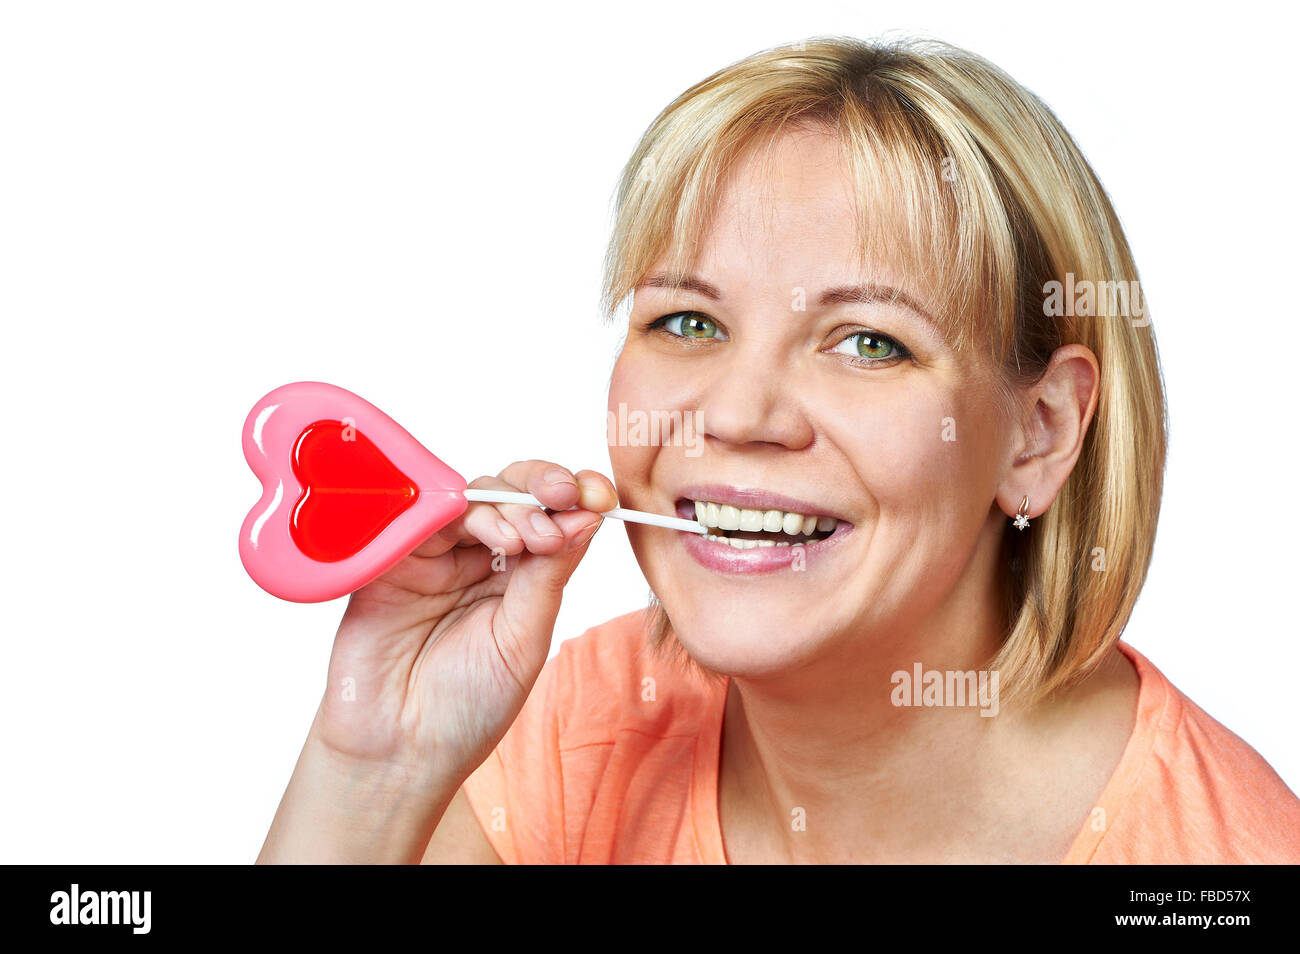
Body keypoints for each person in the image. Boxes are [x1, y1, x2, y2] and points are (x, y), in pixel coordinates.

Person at [258, 35, 1300, 864]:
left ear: (1039, 434)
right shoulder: (585, 722)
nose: (740, 413)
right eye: (688, 322)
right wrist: (379, 771)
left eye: (869, 342)